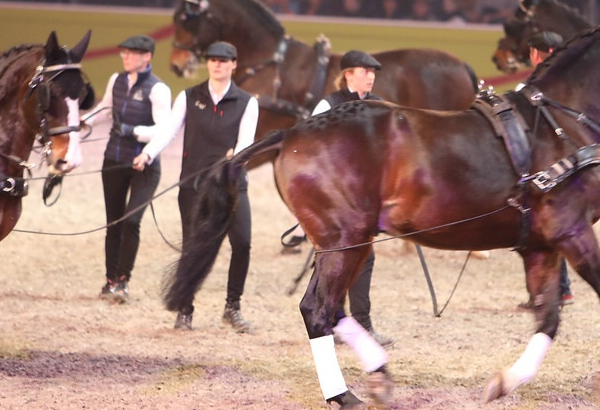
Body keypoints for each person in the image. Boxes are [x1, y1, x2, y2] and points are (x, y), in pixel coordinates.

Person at [136, 41, 259, 332]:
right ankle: (185, 308)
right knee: (193, 247)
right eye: (213, 59)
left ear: (234, 65)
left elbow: (246, 142)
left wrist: (235, 156)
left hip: (230, 187)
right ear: (208, 64)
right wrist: (148, 153)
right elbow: (168, 129)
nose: (217, 64)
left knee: (242, 243)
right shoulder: (189, 97)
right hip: (193, 185)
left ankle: (232, 306)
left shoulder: (246, 102)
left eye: (224, 60)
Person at [286, 50, 394, 347]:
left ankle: (345, 321)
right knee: (347, 257)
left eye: (373, 72)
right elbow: (308, 144)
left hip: (364, 197)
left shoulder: (377, 106)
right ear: (348, 74)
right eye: (364, 71)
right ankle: (346, 321)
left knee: (357, 257)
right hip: (333, 195)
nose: (371, 76)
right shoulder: (329, 104)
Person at [87, 35, 171, 304]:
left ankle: (123, 280)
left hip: (144, 166)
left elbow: (164, 129)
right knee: (113, 222)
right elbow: (105, 109)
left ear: (147, 57)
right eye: (124, 53)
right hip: (114, 160)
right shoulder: (117, 81)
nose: (125, 57)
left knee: (131, 221)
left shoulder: (158, 90)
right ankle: (110, 279)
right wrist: (80, 122)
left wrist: (135, 133)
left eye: (132, 53)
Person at [517, 31, 574, 309]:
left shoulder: (528, 89)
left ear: (534, 55)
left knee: (537, 230)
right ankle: (559, 290)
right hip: (568, 166)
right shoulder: (572, 88)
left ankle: (549, 291)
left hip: (539, 168)